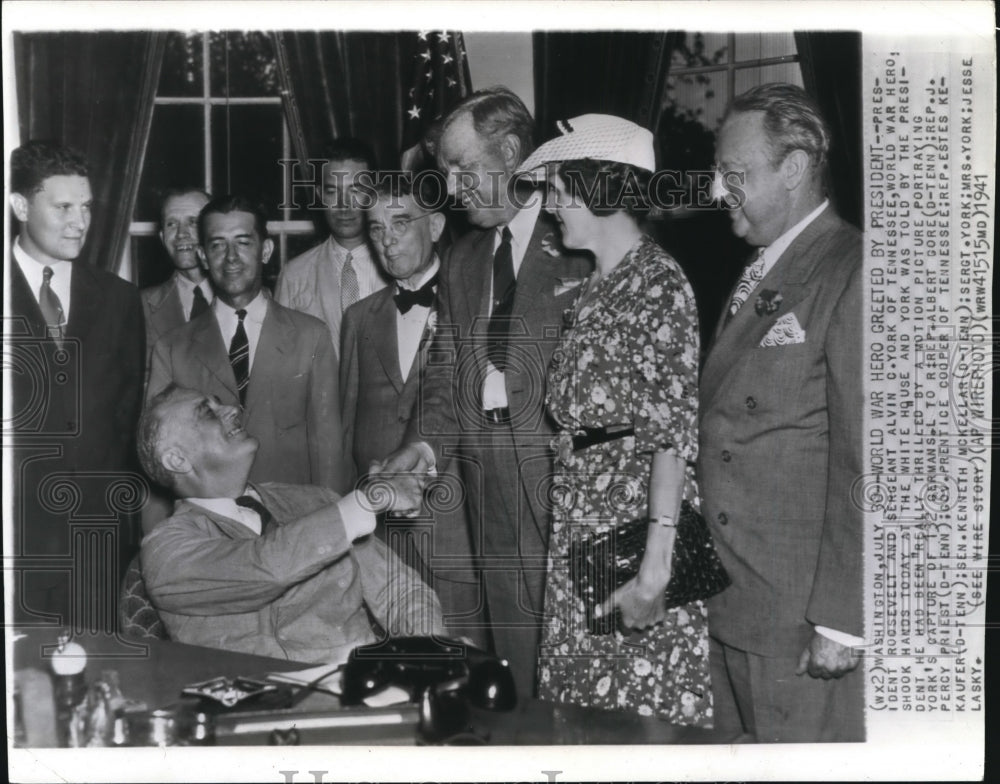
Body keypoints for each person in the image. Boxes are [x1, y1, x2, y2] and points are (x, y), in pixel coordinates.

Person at [377, 87, 593, 695]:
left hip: (576, 507)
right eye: (444, 170)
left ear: (512, 152)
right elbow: (445, 372)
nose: (449, 186)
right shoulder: (464, 260)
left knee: (590, 694)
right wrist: (420, 448)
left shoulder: (583, 244)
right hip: (493, 514)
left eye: (462, 168)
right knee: (524, 688)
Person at [514, 115, 712, 725]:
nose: (550, 206)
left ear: (597, 187)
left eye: (558, 189)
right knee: (581, 712)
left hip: (633, 528)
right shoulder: (597, 285)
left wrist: (656, 568)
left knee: (638, 714)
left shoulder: (659, 282)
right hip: (582, 524)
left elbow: (671, 439)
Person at [699, 83, 863, 742]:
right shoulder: (757, 271)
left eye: (732, 174)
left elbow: (869, 459)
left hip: (799, 623)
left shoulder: (854, 269)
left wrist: (843, 620)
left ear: (792, 169)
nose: (714, 192)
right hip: (733, 604)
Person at [137, 384, 443, 661]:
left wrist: (432, 655)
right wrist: (369, 500)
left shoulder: (317, 501)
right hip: (264, 709)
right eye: (207, 413)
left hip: (365, 694)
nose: (232, 409)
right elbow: (267, 567)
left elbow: (399, 592)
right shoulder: (167, 549)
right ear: (177, 460)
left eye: (220, 403)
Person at [340, 175, 486, 648]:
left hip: (456, 527)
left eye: (401, 223)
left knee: (463, 658)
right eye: (376, 228)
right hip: (380, 532)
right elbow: (346, 427)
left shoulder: (473, 304)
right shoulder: (358, 319)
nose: (387, 240)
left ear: (438, 225)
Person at [7, 140, 145, 624]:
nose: (79, 222)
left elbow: (128, 424)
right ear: (20, 205)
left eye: (85, 207)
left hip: (97, 547)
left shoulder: (120, 301)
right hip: (15, 543)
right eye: (63, 206)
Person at [147, 194, 350, 493]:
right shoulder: (173, 348)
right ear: (203, 255)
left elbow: (329, 450)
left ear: (265, 250)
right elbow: (158, 453)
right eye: (217, 245)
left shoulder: (311, 336)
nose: (231, 257)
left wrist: (333, 527)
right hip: (212, 529)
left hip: (293, 523)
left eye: (243, 242)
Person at [276, 137, 387, 358]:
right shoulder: (294, 275)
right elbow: (281, 360)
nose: (343, 204)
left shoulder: (398, 265)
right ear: (319, 195)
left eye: (355, 191)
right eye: (332, 192)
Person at [140, 188, 214, 362]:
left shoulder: (250, 299)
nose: (181, 233)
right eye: (171, 224)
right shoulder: (140, 307)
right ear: (162, 237)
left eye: (193, 222)